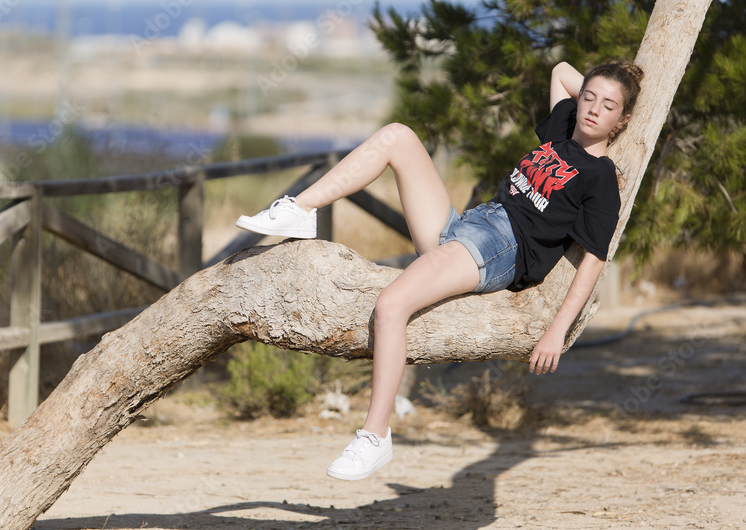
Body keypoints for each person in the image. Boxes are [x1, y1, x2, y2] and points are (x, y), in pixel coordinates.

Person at [235, 59, 642, 480]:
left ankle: (375, 436)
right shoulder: (562, 127)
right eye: (589, 98)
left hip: (499, 247)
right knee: (398, 136)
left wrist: (558, 330)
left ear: (623, 120)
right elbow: (560, 70)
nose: (593, 109)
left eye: (609, 107)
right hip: (469, 224)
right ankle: (301, 208)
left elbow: (594, 260)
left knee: (391, 305)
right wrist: (606, 85)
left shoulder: (600, 178)